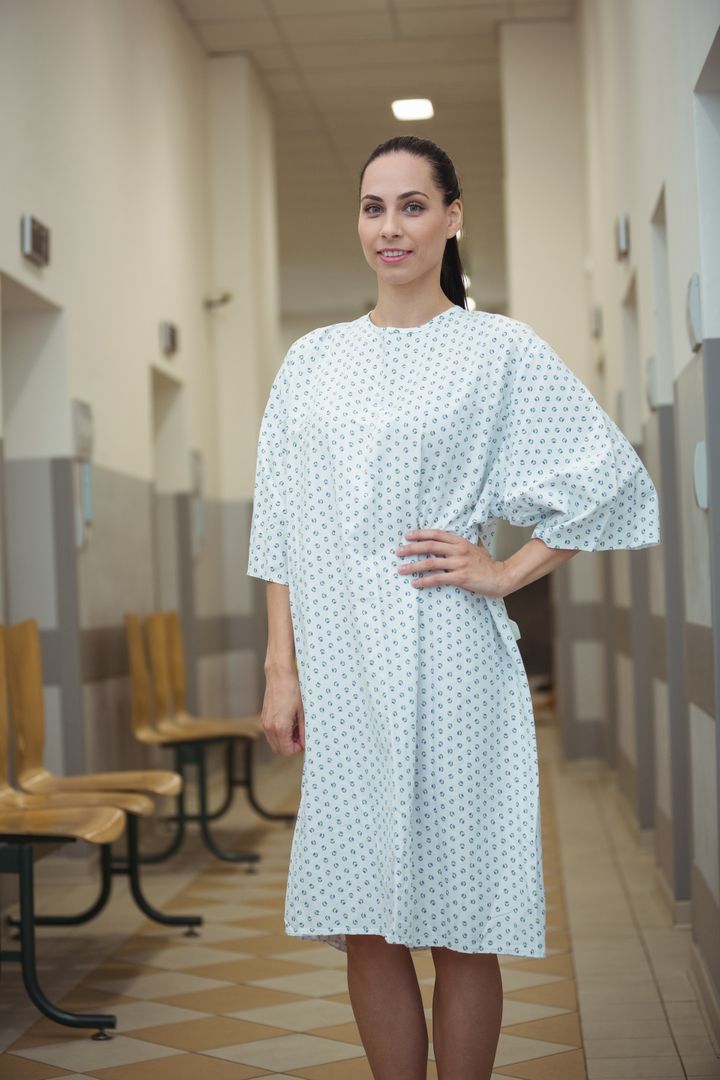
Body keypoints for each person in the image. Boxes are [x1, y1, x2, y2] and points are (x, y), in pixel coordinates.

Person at [247, 134, 661, 1080]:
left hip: (455, 658)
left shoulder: (498, 349)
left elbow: (611, 481)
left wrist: (508, 571)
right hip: (345, 670)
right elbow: (279, 522)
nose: (389, 227)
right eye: (372, 207)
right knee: (365, 919)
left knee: (462, 921)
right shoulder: (312, 361)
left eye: (410, 205)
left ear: (452, 216)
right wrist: (282, 668)